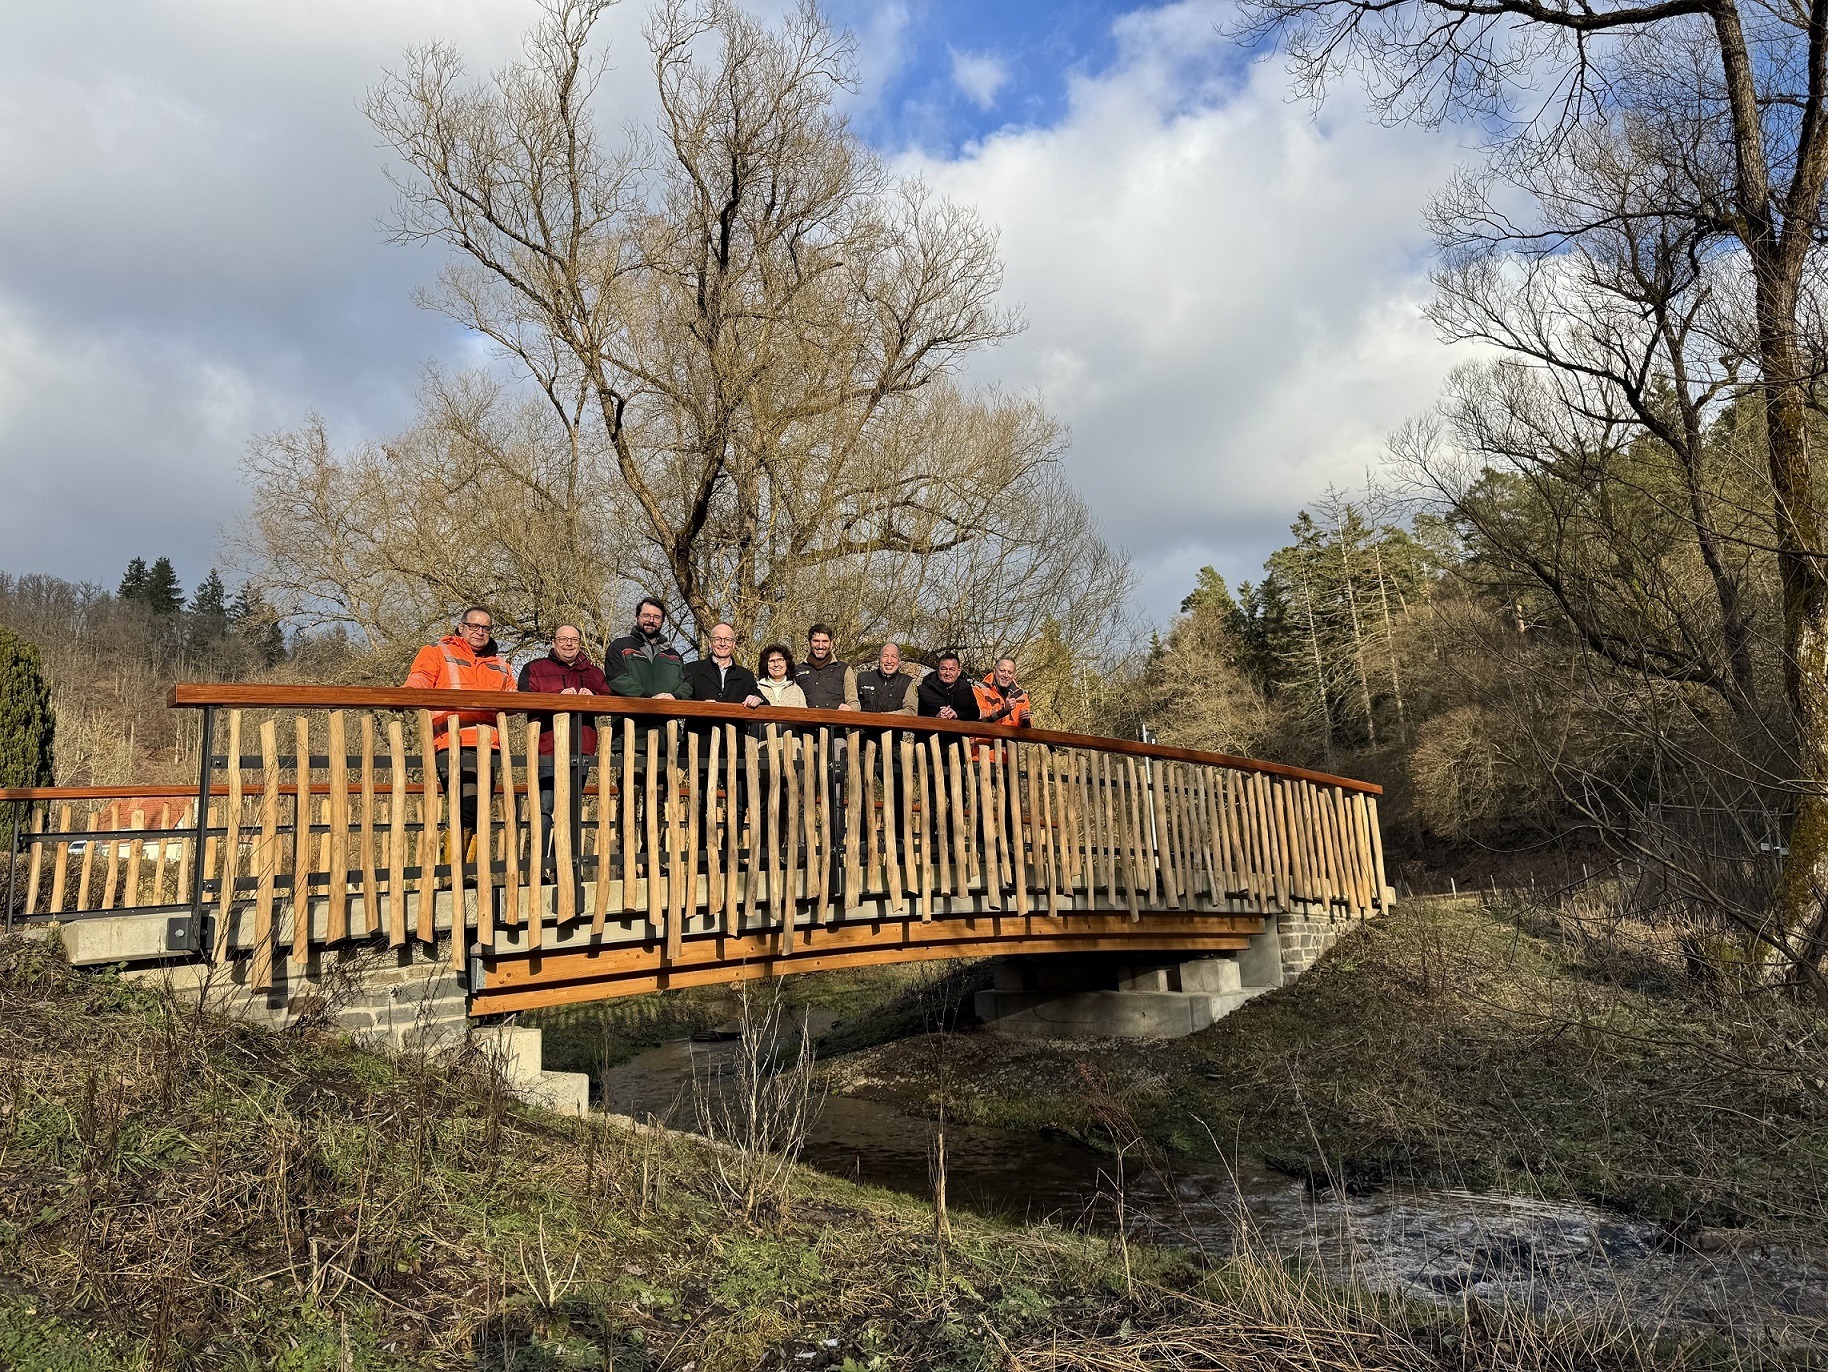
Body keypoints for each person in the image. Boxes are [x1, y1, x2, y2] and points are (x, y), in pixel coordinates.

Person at [402, 606, 517, 850]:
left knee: (480, 809)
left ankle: (468, 872)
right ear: (461, 627)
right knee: (466, 804)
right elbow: (420, 678)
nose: (480, 632)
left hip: (490, 744)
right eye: (474, 626)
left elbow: (514, 698)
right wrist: (407, 695)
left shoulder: (500, 664)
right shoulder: (437, 652)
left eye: (485, 627)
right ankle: (452, 872)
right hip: (452, 740)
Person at [518, 626, 610, 870]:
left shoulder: (594, 672)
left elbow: (611, 700)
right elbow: (524, 699)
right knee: (544, 808)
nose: (568, 644)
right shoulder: (535, 669)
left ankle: (566, 866)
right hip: (547, 748)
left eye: (574, 639)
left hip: (581, 749)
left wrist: (593, 698)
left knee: (571, 810)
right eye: (563, 639)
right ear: (553, 641)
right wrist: (560, 697)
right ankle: (537, 867)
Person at [606, 596, 694, 702]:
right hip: (628, 715)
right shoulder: (619, 647)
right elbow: (616, 679)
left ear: (662, 621)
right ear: (637, 617)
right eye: (646, 615)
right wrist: (648, 698)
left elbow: (688, 683)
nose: (651, 620)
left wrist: (675, 696)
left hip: (667, 715)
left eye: (657, 617)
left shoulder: (674, 655)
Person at [684, 623, 764, 709]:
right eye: (717, 639)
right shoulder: (691, 670)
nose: (723, 643)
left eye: (728, 639)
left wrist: (757, 698)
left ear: (733, 644)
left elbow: (763, 701)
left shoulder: (746, 676)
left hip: (734, 722)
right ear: (710, 643)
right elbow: (681, 700)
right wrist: (700, 706)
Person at [794, 623, 857, 711]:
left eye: (825, 641)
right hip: (806, 723)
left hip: (835, 723)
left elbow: (854, 702)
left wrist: (849, 709)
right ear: (809, 642)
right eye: (816, 641)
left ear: (831, 643)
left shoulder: (844, 669)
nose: (820, 646)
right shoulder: (797, 670)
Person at [854, 642, 919, 715]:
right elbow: (852, 703)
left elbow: (911, 711)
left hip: (893, 726)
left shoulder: (908, 683)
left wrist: (887, 717)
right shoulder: (862, 678)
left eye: (894, 657)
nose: (889, 661)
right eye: (885, 656)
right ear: (879, 659)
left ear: (899, 661)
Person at [918, 651, 981, 721]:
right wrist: (936, 718)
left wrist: (956, 714)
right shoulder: (924, 690)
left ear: (959, 671)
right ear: (938, 670)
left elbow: (975, 714)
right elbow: (918, 721)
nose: (947, 673)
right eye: (944, 669)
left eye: (952, 669)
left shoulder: (965, 687)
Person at [972, 656, 1033, 728]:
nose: (1006, 675)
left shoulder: (1022, 695)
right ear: (994, 671)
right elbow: (978, 717)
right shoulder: (979, 690)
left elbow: (1027, 729)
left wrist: (1026, 720)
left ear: (1014, 675)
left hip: (1012, 738)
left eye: (1010, 672)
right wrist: (1003, 709)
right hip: (986, 737)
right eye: (1002, 671)